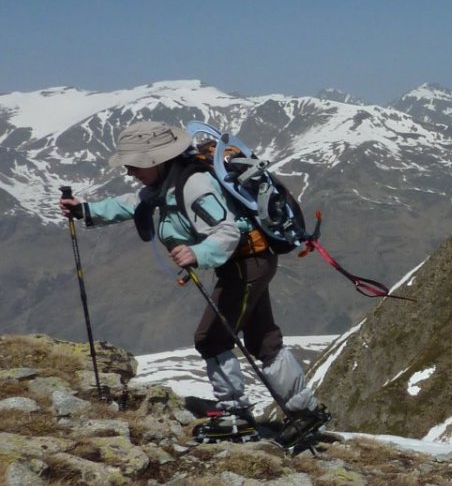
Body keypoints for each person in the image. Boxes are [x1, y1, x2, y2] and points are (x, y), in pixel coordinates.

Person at [58, 120, 327, 447]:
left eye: (134, 165)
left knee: (211, 337)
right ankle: (305, 413)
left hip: (246, 265)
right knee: (262, 339)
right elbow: (135, 202)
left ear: (156, 160)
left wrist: (197, 253)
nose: (130, 171)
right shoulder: (169, 182)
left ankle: (235, 414)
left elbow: (227, 232)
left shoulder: (194, 185)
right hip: (247, 262)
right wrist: (85, 210)